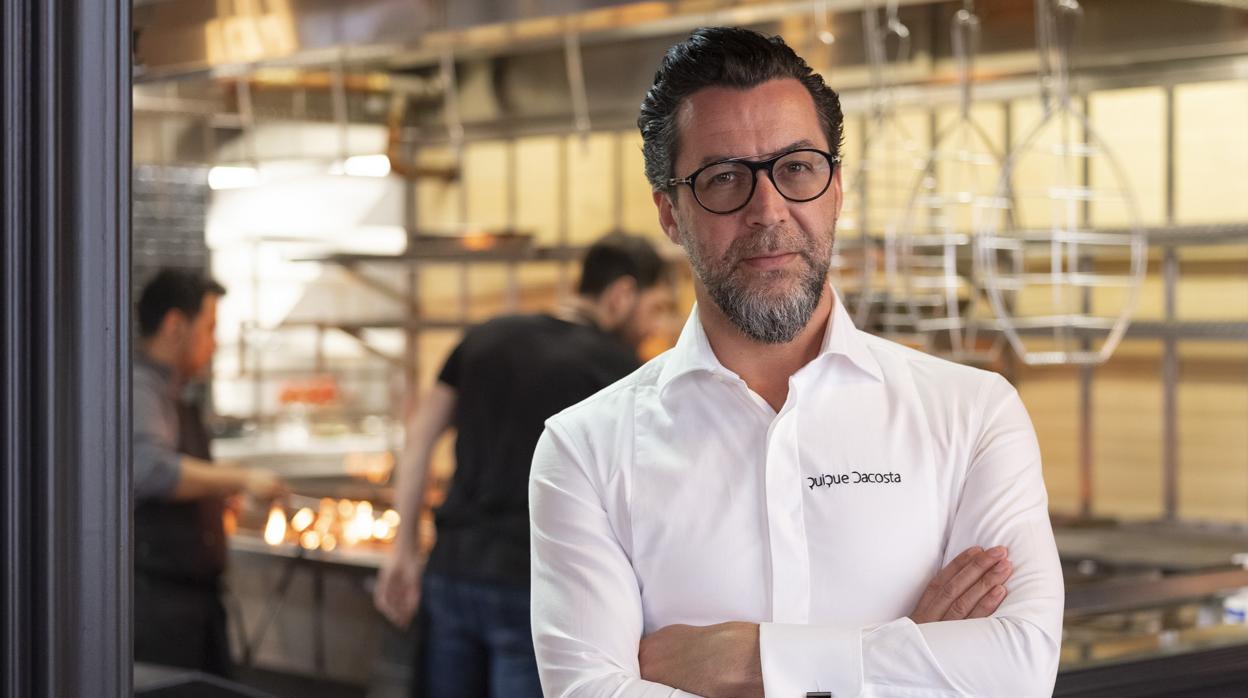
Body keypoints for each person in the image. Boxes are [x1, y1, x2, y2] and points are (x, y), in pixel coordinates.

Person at [528, 27, 1064, 698]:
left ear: (836, 188)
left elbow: (1018, 670)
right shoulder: (584, 451)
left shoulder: (973, 415)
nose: (768, 209)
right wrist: (903, 651)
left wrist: (748, 660)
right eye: (724, 178)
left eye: (798, 167)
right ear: (669, 214)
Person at [374, 232, 673, 697]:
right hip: (532, 589)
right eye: (655, 309)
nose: (655, 327)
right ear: (621, 295)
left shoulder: (484, 337)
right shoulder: (619, 373)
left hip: (452, 571)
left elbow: (419, 439)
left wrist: (403, 548)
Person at [133, 268, 285, 675]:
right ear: (175, 326)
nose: (214, 344)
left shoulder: (175, 396)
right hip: (159, 608)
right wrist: (241, 478)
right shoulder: (140, 390)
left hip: (194, 606)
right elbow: (150, 470)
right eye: (210, 328)